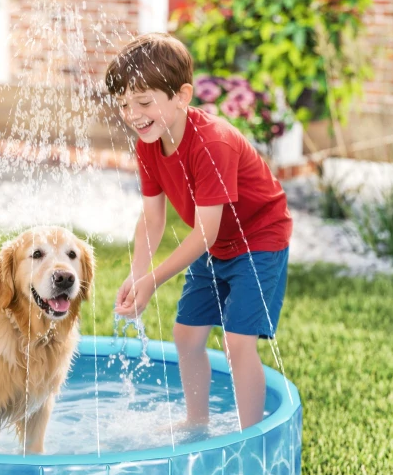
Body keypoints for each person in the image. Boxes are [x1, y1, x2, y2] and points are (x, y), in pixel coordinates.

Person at [108, 33, 292, 431]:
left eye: (143, 102)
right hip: (216, 245)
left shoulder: (212, 142)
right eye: (123, 104)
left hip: (258, 240)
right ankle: (197, 422)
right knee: (186, 337)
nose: (133, 113)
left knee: (237, 344)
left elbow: (205, 233)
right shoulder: (148, 144)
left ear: (182, 95)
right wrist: (138, 273)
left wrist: (153, 281)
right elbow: (152, 219)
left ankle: (249, 438)